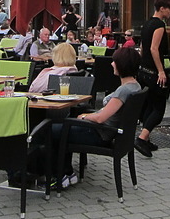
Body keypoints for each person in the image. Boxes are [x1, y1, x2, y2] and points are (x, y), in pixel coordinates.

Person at [54, 47, 142, 186]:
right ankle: (67, 172)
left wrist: (84, 117)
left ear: (122, 65)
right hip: (108, 132)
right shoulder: (135, 87)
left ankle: (59, 175)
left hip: (99, 133)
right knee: (61, 127)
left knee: (52, 130)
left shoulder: (124, 91)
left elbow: (101, 118)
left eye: (115, 61)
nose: (112, 64)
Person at [135, 0, 170, 158]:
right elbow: (153, 49)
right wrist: (160, 71)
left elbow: (143, 48)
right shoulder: (159, 25)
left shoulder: (146, 24)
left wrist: (141, 65)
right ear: (163, 8)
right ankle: (142, 138)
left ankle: (147, 138)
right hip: (153, 72)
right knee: (158, 109)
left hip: (143, 71)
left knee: (148, 106)